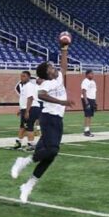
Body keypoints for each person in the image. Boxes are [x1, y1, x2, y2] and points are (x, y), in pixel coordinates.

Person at [10, 45, 74, 203]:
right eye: (51, 67)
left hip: (58, 119)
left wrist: (64, 49)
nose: (54, 67)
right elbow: (42, 95)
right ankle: (23, 161)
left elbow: (64, 66)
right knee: (52, 150)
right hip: (48, 118)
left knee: (51, 155)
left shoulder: (58, 77)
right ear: (47, 72)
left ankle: (28, 185)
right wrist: (62, 101)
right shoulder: (45, 84)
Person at [13, 71, 41, 151]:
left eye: (24, 76)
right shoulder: (25, 86)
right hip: (26, 108)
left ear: (29, 77)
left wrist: (27, 111)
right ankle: (19, 142)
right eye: (21, 76)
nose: (22, 78)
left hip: (31, 108)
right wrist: (21, 109)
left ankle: (31, 145)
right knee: (23, 127)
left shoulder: (28, 86)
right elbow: (24, 100)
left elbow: (30, 98)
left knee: (29, 127)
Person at [81, 69, 97, 136]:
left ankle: (88, 129)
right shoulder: (85, 81)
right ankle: (86, 131)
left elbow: (94, 92)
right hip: (87, 99)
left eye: (93, 74)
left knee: (90, 115)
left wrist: (95, 102)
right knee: (87, 115)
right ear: (87, 74)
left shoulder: (93, 82)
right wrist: (86, 102)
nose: (93, 75)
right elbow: (84, 91)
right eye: (91, 74)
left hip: (92, 99)